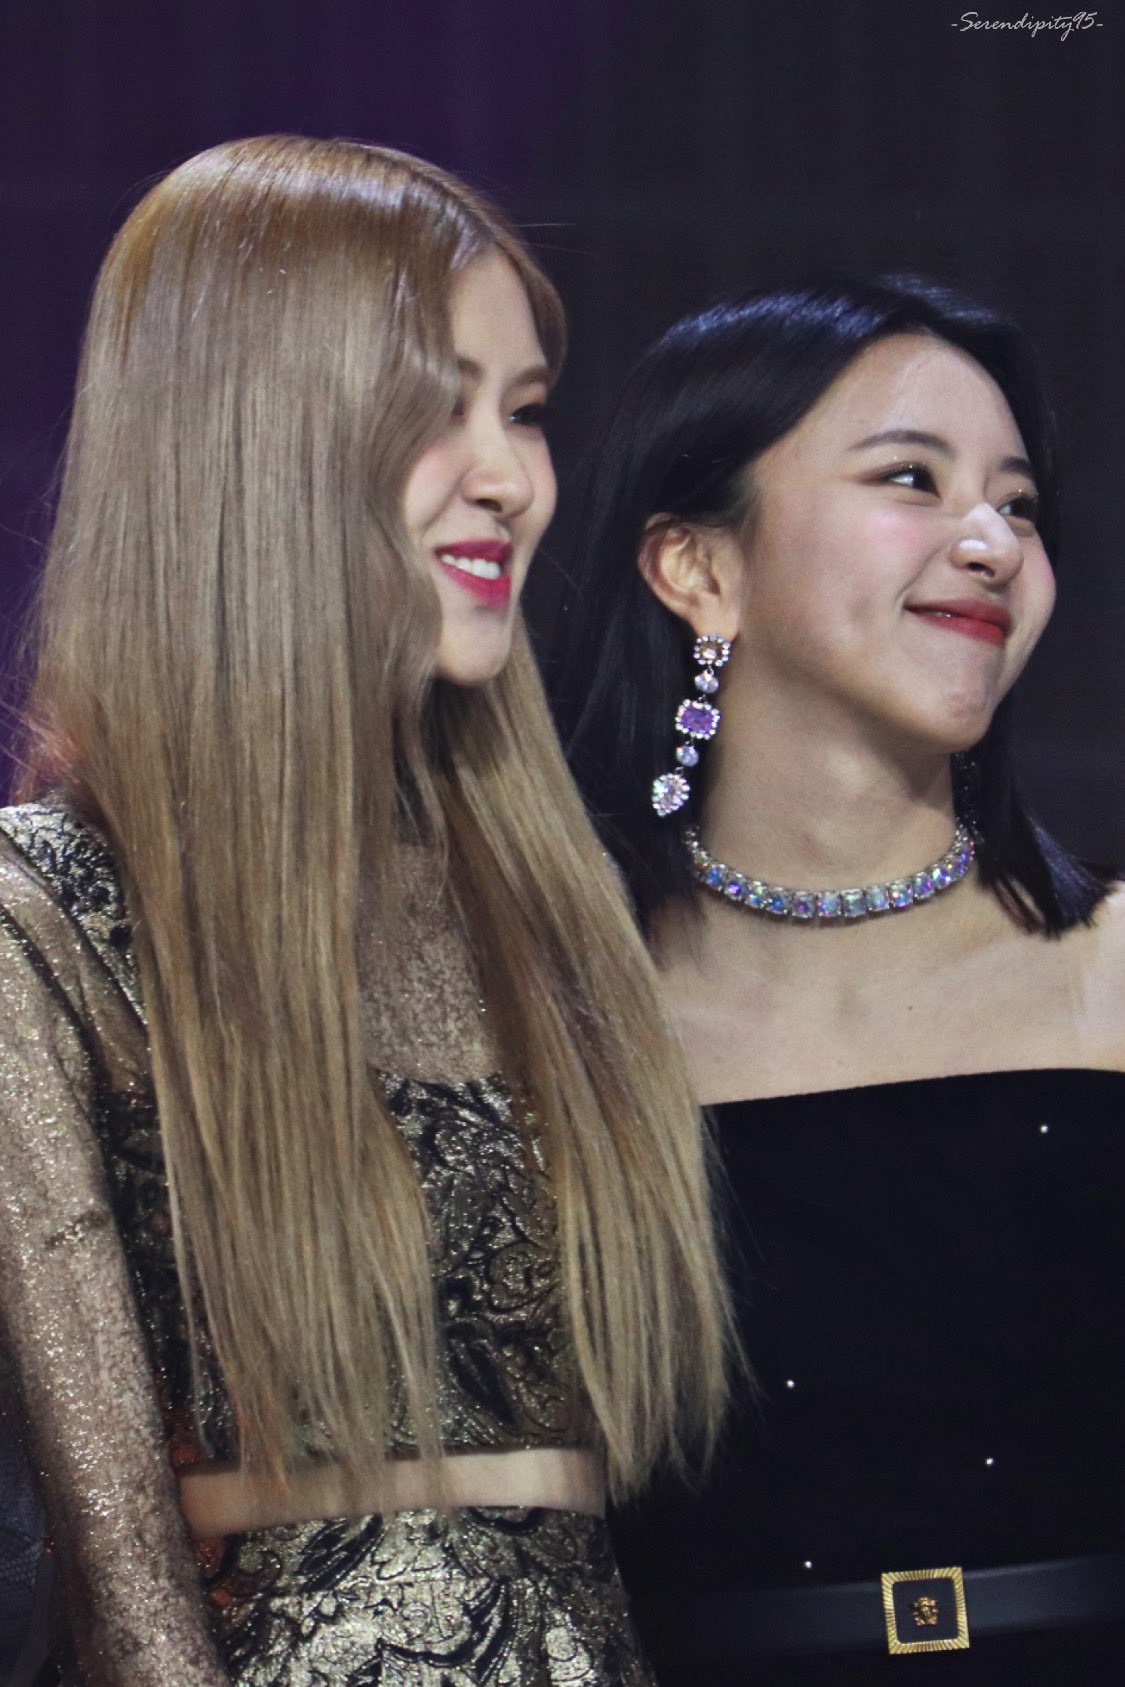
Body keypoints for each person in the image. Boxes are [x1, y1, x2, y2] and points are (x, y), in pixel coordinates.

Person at [0, 135, 729, 1685]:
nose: (509, 477)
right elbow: (110, 1553)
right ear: (251, 438)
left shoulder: (551, 900)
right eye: (433, 408)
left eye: (523, 410)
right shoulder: (50, 917)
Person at [551, 275, 1125, 1682]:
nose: (990, 542)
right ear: (697, 568)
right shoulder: (556, 1017)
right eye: (912, 479)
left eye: (1018, 506)